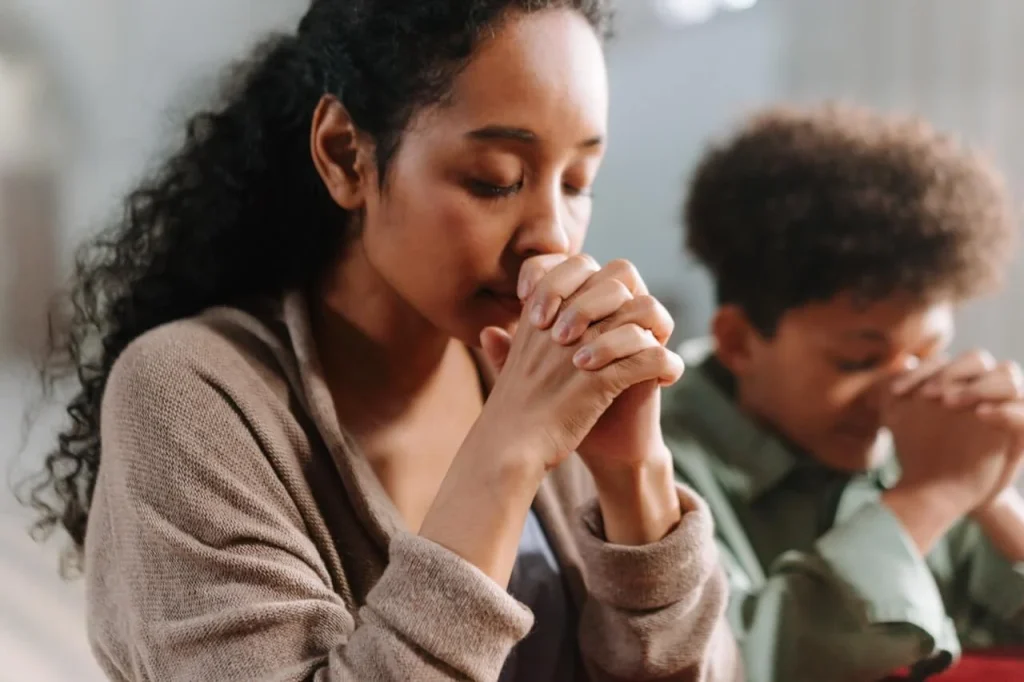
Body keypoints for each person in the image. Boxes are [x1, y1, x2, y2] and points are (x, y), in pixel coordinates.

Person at [20, 1, 743, 681]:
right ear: (345, 155)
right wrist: (504, 457)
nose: (551, 234)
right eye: (495, 181)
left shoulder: (545, 382)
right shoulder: (190, 396)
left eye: (578, 181)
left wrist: (634, 475)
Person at [663, 104, 1024, 682]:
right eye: (859, 360)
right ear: (739, 343)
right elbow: (726, 662)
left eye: (929, 353)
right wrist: (928, 496)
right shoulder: (649, 459)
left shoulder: (921, 444)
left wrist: (992, 489)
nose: (900, 392)